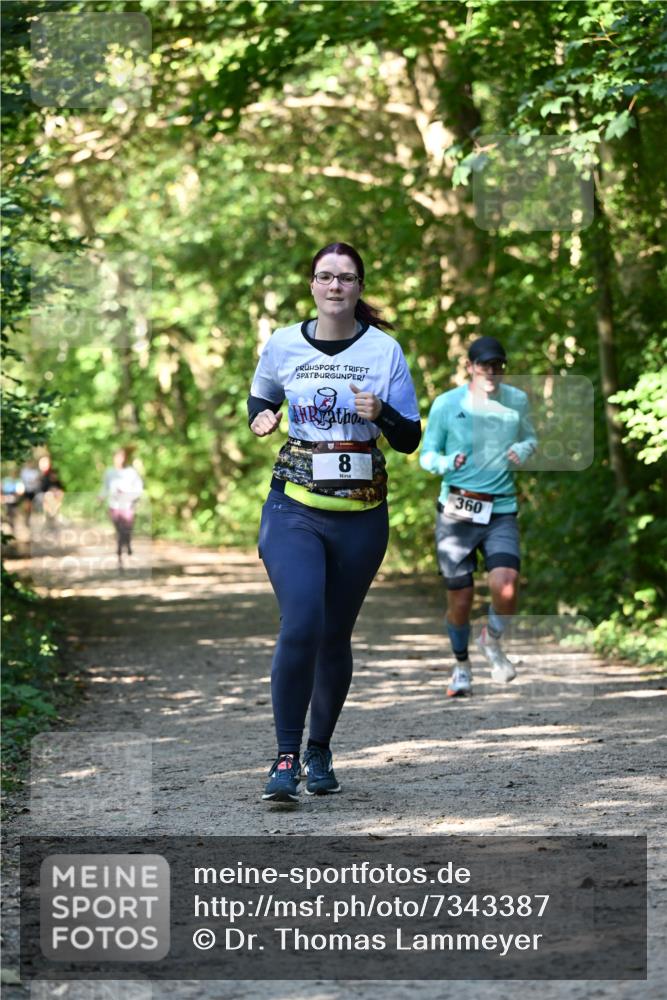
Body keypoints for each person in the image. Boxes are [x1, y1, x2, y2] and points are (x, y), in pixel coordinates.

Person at [248, 241, 421, 803]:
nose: (335, 286)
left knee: (334, 636)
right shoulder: (281, 344)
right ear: (312, 285)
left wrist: (383, 414)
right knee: (301, 621)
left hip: (361, 515)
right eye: (325, 277)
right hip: (294, 506)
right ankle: (284, 756)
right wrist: (263, 418)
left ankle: (320, 747)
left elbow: (410, 439)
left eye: (346, 278)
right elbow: (260, 398)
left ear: (359, 288)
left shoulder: (384, 351)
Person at [420, 336, 537, 698]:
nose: (492, 372)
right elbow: (427, 454)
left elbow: (531, 439)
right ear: (470, 367)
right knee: (461, 599)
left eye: (498, 366)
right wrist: (444, 463)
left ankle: (491, 638)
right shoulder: (446, 404)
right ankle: (461, 666)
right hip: (456, 512)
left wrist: (522, 449)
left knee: (507, 584)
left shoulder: (516, 400)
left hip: (500, 508)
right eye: (484, 365)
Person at [99, 447, 143, 568]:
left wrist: (132, 496)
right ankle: (119, 553)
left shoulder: (131, 472)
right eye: (117, 457)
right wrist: (101, 497)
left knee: (127, 529)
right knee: (119, 530)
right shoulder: (109, 472)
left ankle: (127, 546)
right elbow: (105, 487)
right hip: (114, 506)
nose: (120, 459)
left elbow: (138, 488)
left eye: (122, 457)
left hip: (128, 505)